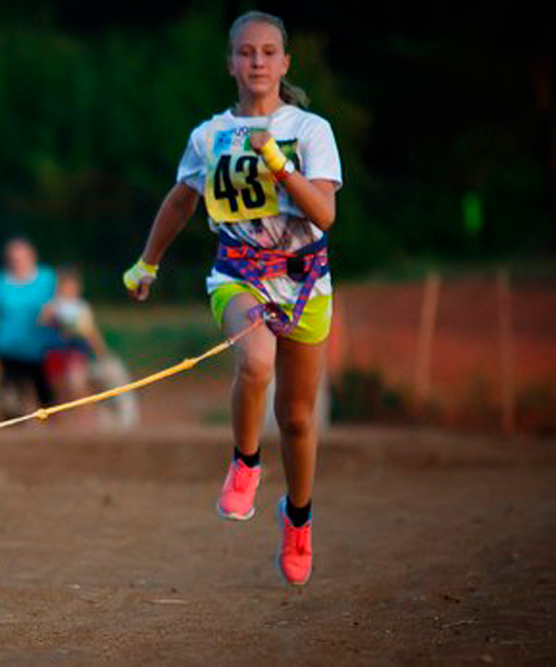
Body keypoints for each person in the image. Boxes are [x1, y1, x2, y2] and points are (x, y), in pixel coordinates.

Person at [123, 11, 342, 586]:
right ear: (231, 63)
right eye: (247, 53)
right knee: (257, 361)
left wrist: (281, 167)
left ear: (285, 62)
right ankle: (245, 463)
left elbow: (324, 215)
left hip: (304, 283)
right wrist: (147, 263)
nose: (258, 62)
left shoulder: (311, 129)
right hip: (238, 275)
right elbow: (179, 201)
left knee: (297, 420)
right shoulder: (209, 135)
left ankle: (298, 519)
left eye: (269, 52)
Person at [0, 237, 56, 418]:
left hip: (40, 350)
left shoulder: (47, 278)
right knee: (10, 402)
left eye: (21, 258)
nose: (16, 263)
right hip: (8, 350)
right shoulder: (0, 281)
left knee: (48, 400)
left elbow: (57, 305)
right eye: (12, 259)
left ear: (32, 257)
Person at [41, 266, 107, 407]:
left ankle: (85, 418)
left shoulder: (81, 307)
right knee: (59, 390)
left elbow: (90, 331)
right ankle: (67, 424)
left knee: (77, 386)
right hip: (56, 352)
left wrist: (100, 351)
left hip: (75, 352)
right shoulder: (53, 305)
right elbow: (42, 322)